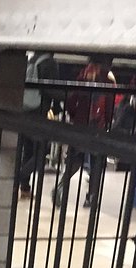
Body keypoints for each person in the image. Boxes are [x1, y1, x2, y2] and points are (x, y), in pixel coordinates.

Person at [54, 59, 116, 210]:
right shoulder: (107, 81)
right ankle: (91, 198)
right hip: (97, 127)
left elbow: (70, 102)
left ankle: (60, 187)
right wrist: (108, 123)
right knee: (96, 164)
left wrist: (76, 117)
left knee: (75, 159)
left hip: (80, 126)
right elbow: (109, 107)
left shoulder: (82, 77)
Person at [18, 52, 62, 200]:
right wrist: (64, 99)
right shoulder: (50, 63)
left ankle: (25, 188)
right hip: (39, 111)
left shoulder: (32, 60)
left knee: (28, 150)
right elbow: (52, 89)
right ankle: (19, 177)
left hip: (26, 109)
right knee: (42, 150)